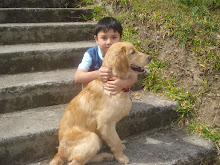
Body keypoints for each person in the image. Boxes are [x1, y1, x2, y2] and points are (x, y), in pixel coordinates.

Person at [74, 17, 138, 95]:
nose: (109, 42)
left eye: (114, 37)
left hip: (114, 94)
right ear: (96, 39)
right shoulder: (91, 54)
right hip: (94, 95)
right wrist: (97, 74)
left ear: (120, 38)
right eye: (104, 38)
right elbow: (78, 77)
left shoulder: (123, 55)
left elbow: (134, 77)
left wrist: (123, 83)